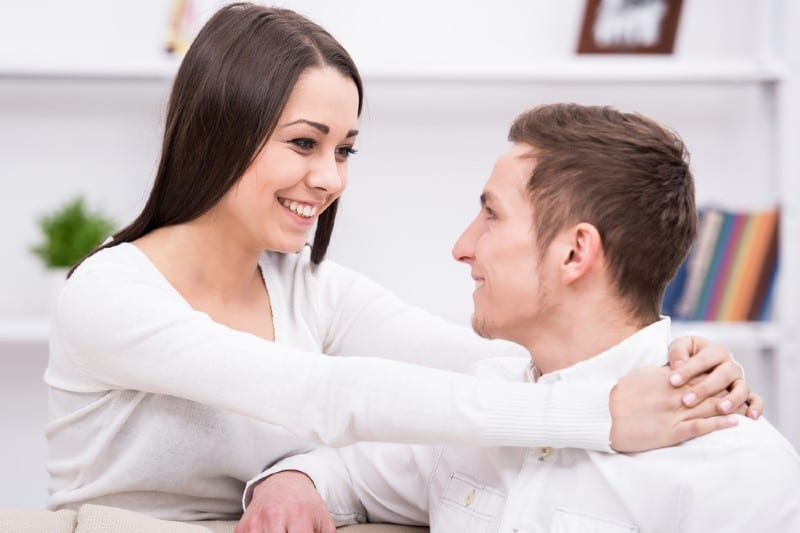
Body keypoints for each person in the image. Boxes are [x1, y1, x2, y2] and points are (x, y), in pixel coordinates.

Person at [45, 3, 757, 524]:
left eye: (345, 149)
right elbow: (327, 394)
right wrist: (598, 413)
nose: (330, 178)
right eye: (304, 142)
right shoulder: (110, 294)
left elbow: (490, 365)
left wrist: (676, 374)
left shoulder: (311, 291)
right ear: (218, 133)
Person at [254, 103, 800, 532]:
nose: (462, 247)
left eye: (491, 215)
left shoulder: (737, 470)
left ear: (573, 254)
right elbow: (341, 471)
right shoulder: (481, 410)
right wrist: (291, 484)